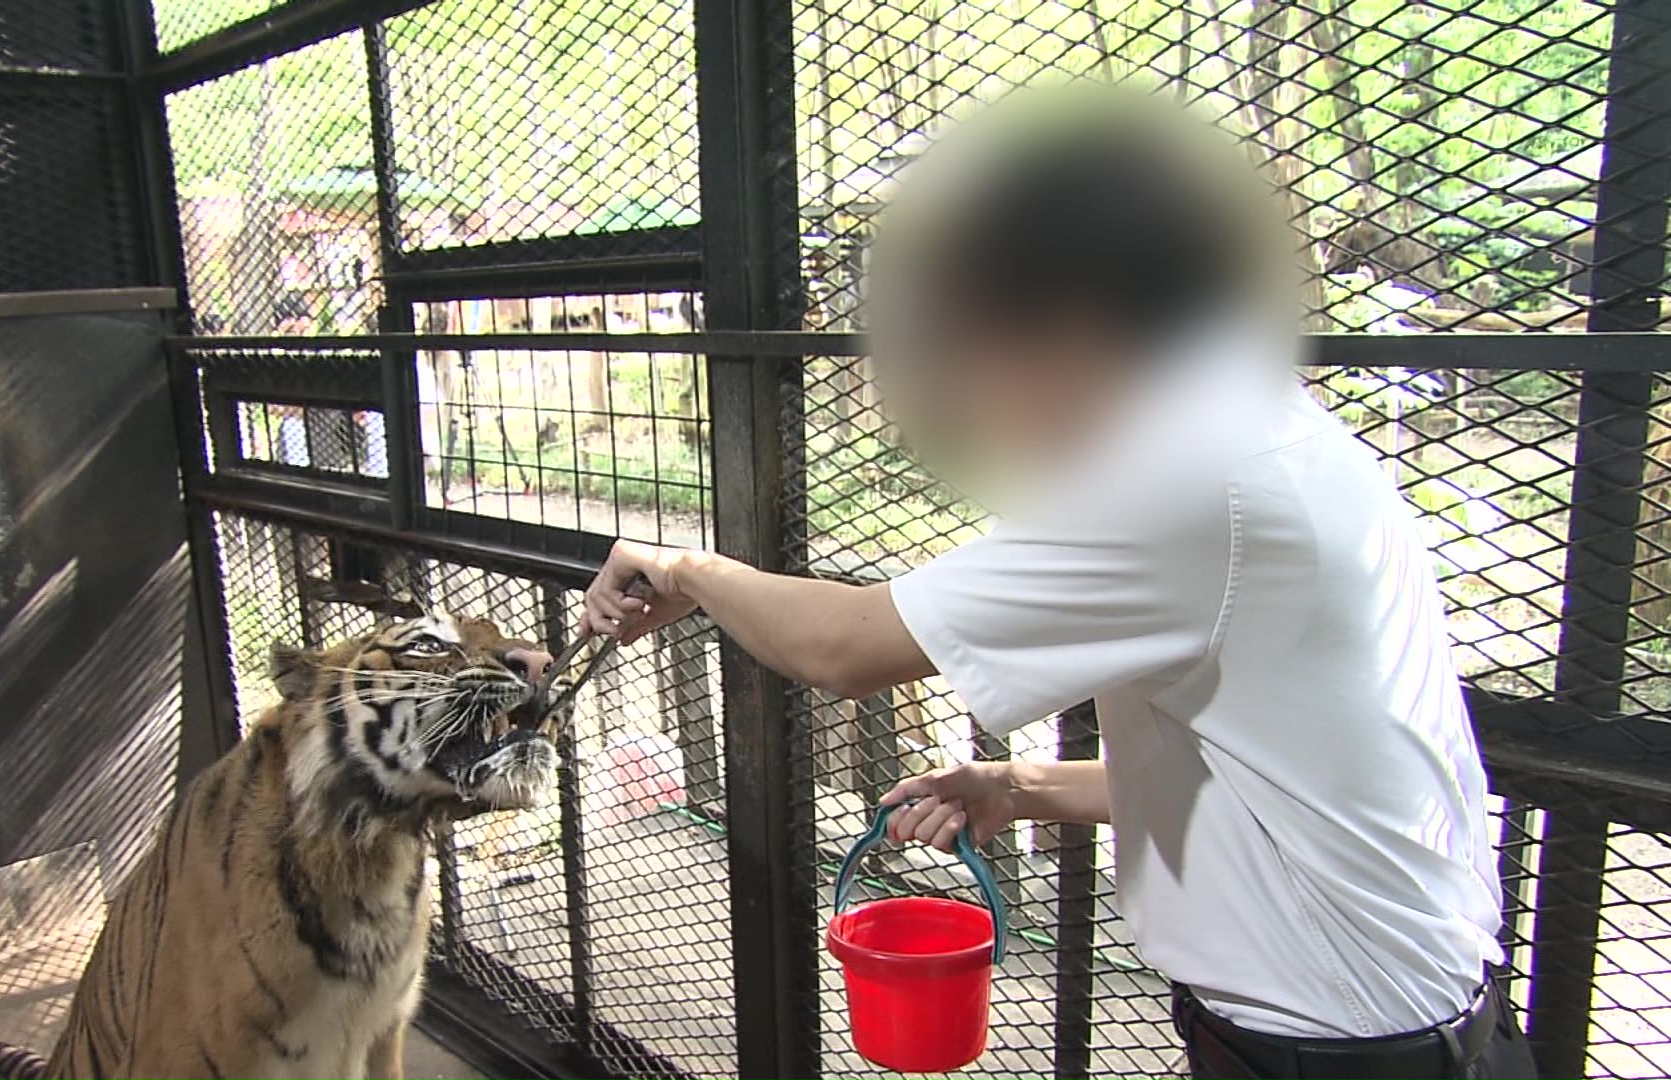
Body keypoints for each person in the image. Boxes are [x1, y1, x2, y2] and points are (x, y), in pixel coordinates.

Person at [577, 84, 1536, 1080]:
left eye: (976, 346)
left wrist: (689, 567)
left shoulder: (1196, 477)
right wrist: (1016, 784)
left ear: (1067, 321)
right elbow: (1265, 784)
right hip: (1392, 1019)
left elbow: (845, 647)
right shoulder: (1254, 424)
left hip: (1342, 1048)